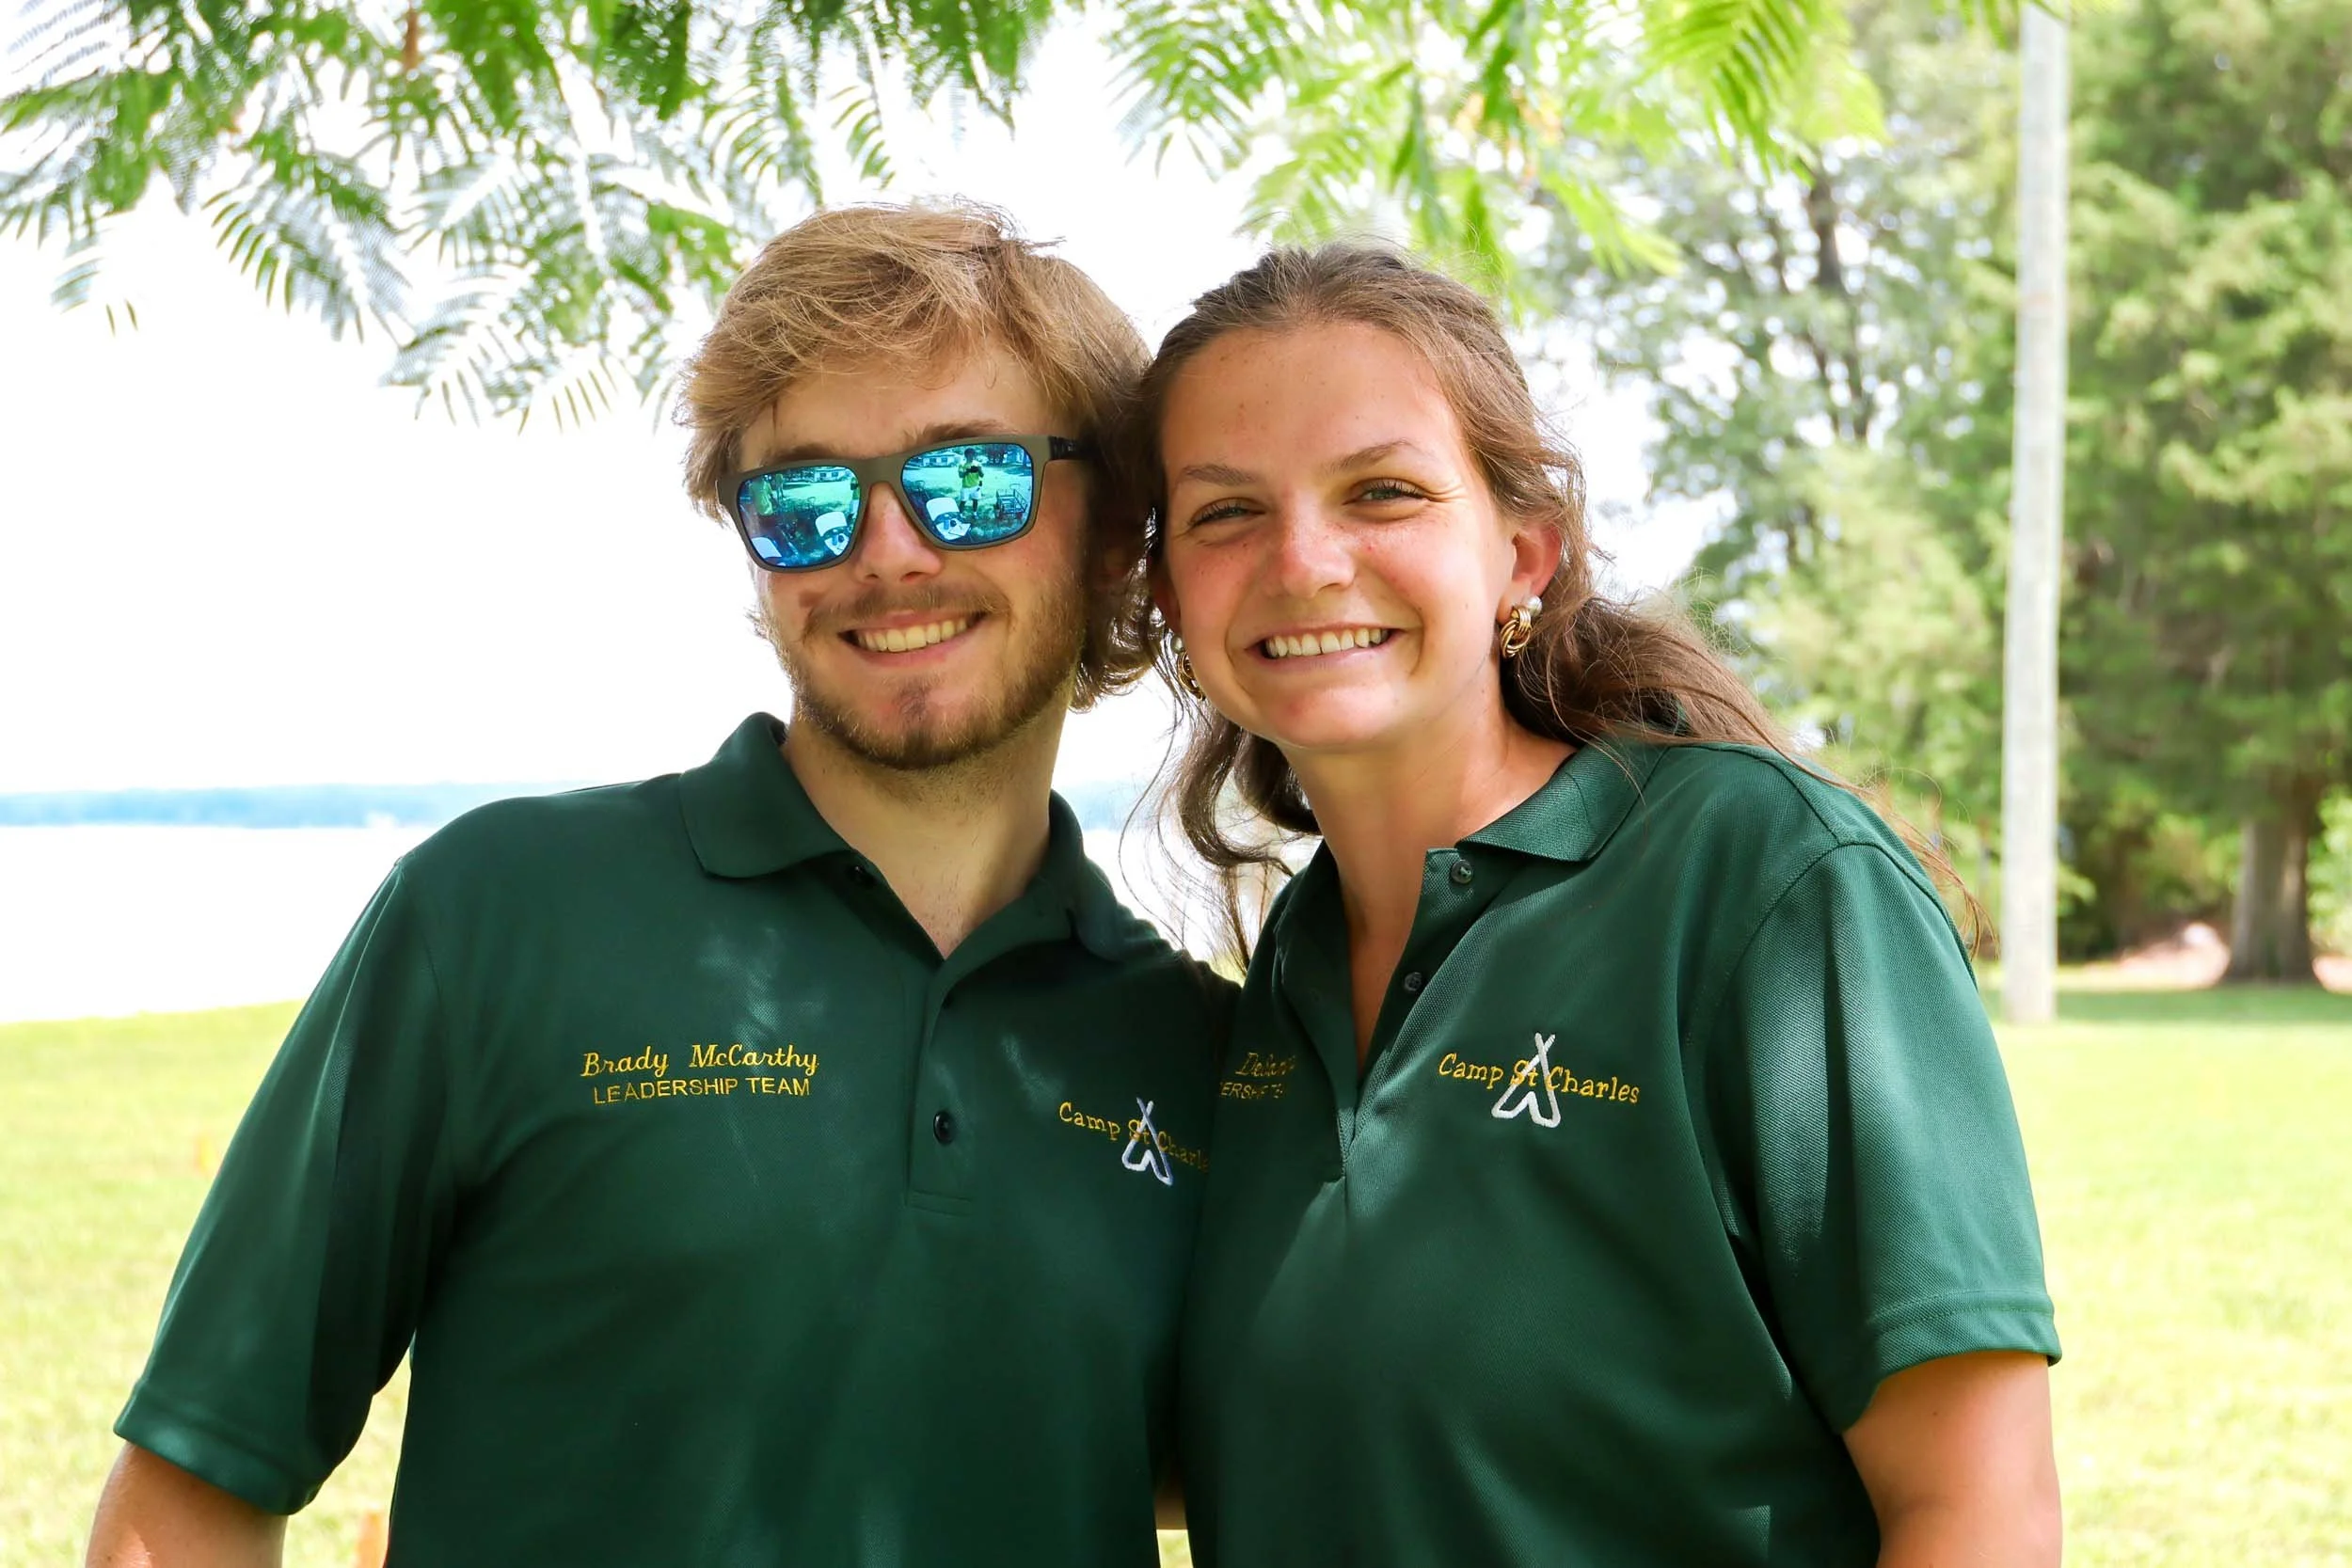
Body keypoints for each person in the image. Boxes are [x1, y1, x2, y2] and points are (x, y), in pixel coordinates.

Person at [87, 202, 1228, 1567]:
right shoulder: (494, 918)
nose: (885, 549)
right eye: (804, 499)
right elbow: (193, 1492)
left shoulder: (1204, 1054)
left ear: (1116, 537)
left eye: (971, 479)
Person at [1128, 245, 2063, 1566]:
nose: (1305, 559)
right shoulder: (1293, 967)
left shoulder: (1769, 879)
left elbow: (1981, 1511)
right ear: (1168, 595)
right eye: (1226, 512)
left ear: (1523, 553)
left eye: (1382, 490)